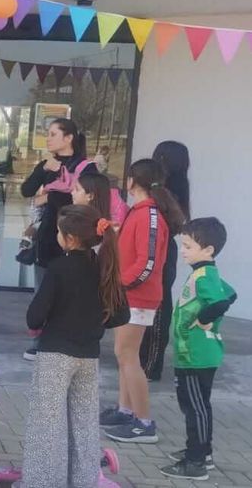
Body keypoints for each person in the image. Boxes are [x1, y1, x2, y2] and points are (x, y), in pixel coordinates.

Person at [20, 205, 129, 487]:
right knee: (84, 424)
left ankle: (43, 482)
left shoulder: (59, 269)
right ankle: (85, 480)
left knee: (48, 424)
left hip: (55, 354)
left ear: (69, 238)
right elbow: (122, 315)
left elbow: (34, 316)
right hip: (89, 355)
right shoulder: (104, 266)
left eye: (58, 231)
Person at [101, 159, 185, 444]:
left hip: (137, 296)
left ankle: (144, 423)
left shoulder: (149, 214)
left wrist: (121, 285)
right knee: (124, 355)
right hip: (131, 294)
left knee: (128, 357)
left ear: (132, 181)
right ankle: (127, 411)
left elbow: (146, 262)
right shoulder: (141, 212)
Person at [160, 217, 236, 481]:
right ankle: (202, 453)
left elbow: (221, 303)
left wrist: (205, 319)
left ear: (209, 250)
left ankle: (195, 462)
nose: (183, 251)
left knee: (195, 408)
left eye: (188, 246)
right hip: (195, 354)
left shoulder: (204, 275)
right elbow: (231, 294)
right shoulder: (207, 274)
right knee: (198, 405)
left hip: (195, 355)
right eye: (183, 245)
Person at [20, 118, 97, 360]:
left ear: (69, 138)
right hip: (48, 238)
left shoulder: (86, 168)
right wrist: (45, 171)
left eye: (54, 134)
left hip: (75, 239)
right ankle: (38, 341)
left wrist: (49, 196)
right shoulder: (47, 163)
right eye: (48, 133)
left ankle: (67, 339)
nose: (48, 138)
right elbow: (26, 191)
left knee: (72, 292)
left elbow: (83, 201)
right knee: (42, 291)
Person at [140, 141, 191, 382]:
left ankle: (151, 365)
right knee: (153, 304)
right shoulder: (172, 187)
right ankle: (146, 361)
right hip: (159, 249)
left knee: (159, 306)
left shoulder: (166, 190)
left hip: (160, 250)